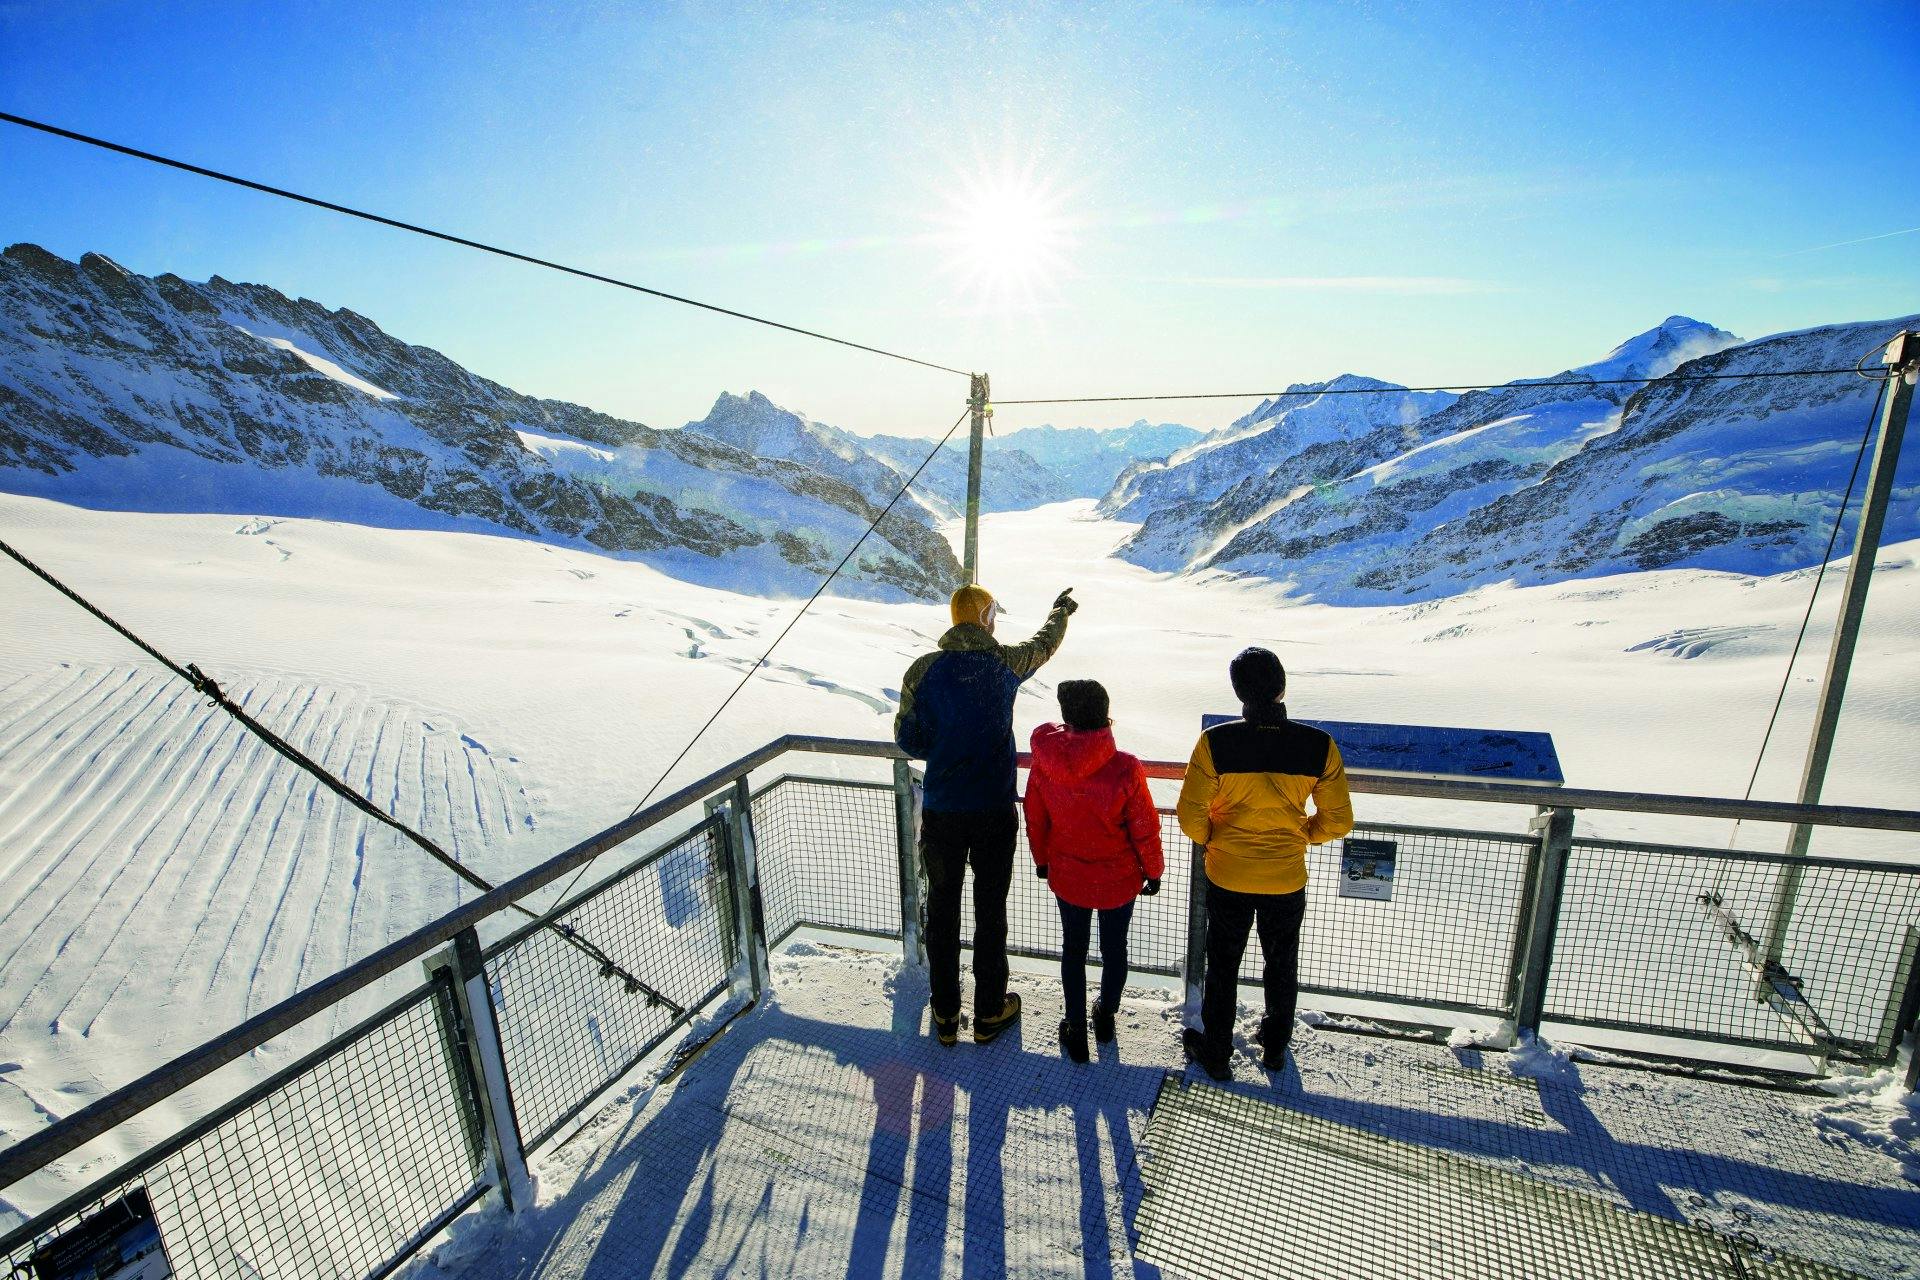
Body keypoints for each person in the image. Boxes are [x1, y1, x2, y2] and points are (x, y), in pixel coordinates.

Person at [895, 582, 1077, 1046]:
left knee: (942, 907)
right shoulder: (1003, 664)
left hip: (942, 810)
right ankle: (990, 1010)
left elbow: (908, 739)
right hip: (993, 809)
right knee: (990, 910)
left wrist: (945, 745)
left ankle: (944, 1011)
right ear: (982, 618)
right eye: (993, 612)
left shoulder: (923, 670)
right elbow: (1044, 645)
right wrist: (1061, 612)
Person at [1176, 647, 1352, 1079]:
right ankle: (1275, 1046)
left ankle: (1215, 1051)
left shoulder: (1216, 741)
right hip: (1286, 876)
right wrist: (1303, 835)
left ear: (1237, 691)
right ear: (1282, 687)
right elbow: (1339, 820)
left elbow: (1189, 814)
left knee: (1223, 964)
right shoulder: (1318, 746)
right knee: (1280, 961)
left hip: (1228, 874)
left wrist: (1215, 839)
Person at [1024, 679, 1164, 1064]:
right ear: (1104, 715)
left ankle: (1074, 1028)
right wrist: (1154, 870)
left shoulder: (1045, 761)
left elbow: (1035, 816)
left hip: (1068, 875)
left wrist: (1042, 860)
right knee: (1114, 949)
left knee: (1074, 950)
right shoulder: (1125, 768)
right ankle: (1106, 1015)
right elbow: (1144, 826)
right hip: (1118, 879)